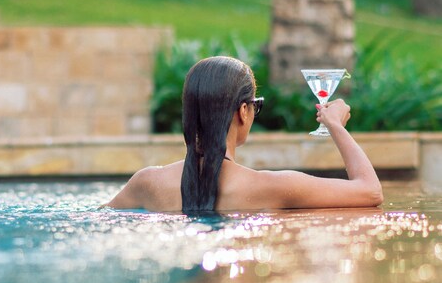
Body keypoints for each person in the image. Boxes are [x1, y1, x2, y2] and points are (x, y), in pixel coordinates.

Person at [105, 55, 383, 212]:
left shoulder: (147, 182)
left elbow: (103, 216)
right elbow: (370, 191)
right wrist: (335, 125)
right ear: (243, 111)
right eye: (255, 106)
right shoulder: (274, 187)